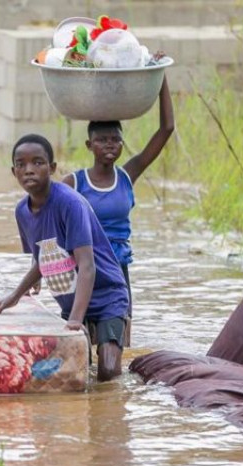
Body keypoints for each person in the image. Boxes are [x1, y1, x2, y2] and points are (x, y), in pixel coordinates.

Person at [0, 134, 130, 382]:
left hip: (106, 296)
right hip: (71, 301)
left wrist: (75, 320)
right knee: (75, 374)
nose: (29, 170)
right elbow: (43, 259)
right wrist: (15, 295)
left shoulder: (70, 204)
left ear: (52, 168)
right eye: (21, 164)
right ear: (13, 170)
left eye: (37, 162)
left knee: (109, 373)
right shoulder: (22, 211)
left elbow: (87, 266)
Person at [61, 77, 175, 344]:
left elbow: (167, 128)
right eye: (102, 140)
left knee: (119, 346)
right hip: (81, 270)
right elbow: (52, 228)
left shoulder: (127, 176)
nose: (110, 145)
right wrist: (40, 271)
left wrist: (160, 78)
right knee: (82, 344)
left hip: (117, 269)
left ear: (123, 144)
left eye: (115, 140)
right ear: (89, 146)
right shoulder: (74, 183)